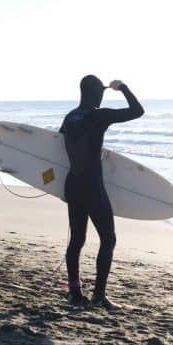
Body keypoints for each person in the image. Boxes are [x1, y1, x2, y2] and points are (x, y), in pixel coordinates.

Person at [58, 75, 144, 309]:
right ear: (98, 92)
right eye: (102, 91)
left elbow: (56, 148)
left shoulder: (69, 117)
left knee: (77, 240)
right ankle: (98, 296)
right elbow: (137, 111)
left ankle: (75, 293)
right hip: (91, 185)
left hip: (72, 184)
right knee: (108, 239)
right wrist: (123, 87)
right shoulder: (99, 115)